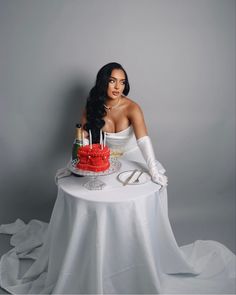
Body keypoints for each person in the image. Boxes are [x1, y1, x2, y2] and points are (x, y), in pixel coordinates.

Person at [81, 62, 168, 187]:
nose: (118, 87)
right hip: (105, 160)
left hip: (133, 158)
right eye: (112, 81)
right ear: (103, 82)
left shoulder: (132, 108)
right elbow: (83, 139)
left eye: (122, 82)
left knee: (135, 190)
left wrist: (154, 171)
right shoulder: (92, 106)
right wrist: (77, 162)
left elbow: (143, 140)